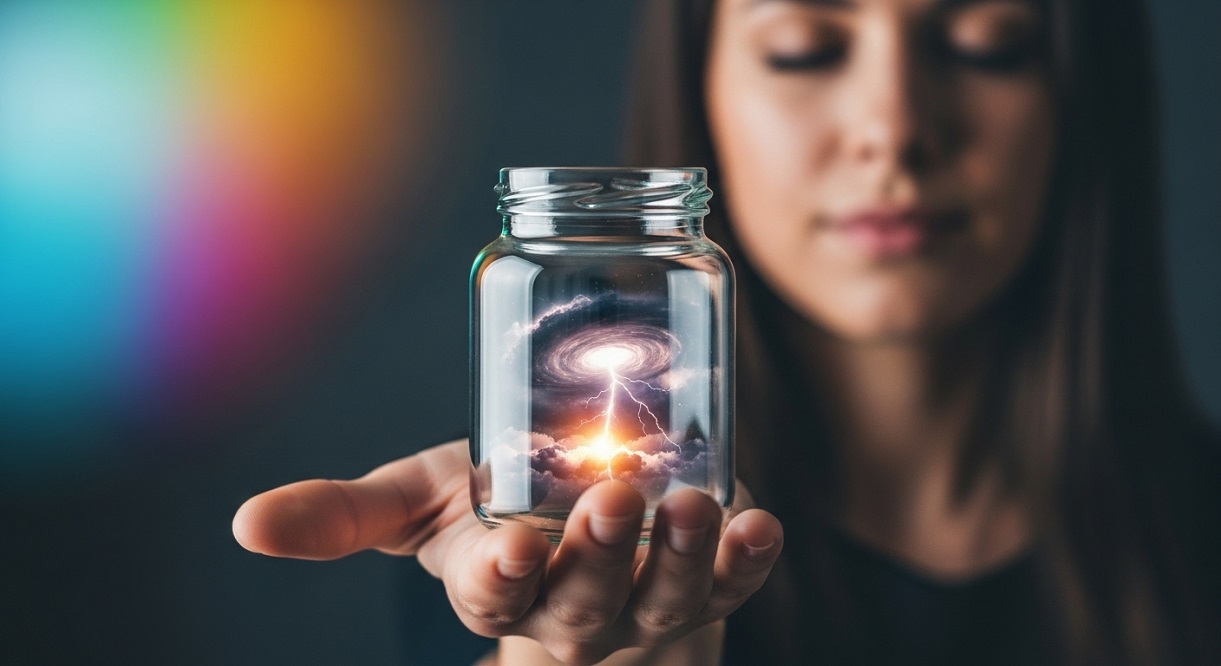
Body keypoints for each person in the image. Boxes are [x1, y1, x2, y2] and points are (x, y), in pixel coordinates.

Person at [232, 0, 1221, 663]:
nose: (893, 125)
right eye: (804, 48)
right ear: (701, 90)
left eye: (986, 43)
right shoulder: (508, 562)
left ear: (1083, 96)